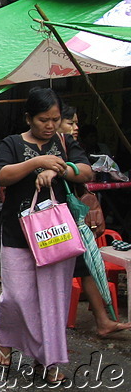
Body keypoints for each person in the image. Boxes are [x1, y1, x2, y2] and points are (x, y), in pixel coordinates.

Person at [0, 87, 93, 384]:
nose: (49, 125)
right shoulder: (11, 143)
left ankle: (48, 360)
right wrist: (37, 163)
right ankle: (8, 337)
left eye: (54, 119)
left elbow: (86, 172)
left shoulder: (65, 142)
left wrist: (60, 169)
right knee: (16, 297)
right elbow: (0, 176)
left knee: (53, 301)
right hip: (17, 232)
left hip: (56, 234)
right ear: (28, 118)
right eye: (42, 119)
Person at [58, 105, 131, 337]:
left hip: (72, 219)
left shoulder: (72, 148)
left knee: (87, 266)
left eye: (76, 123)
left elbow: (85, 173)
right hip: (55, 221)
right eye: (71, 123)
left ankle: (102, 320)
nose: (76, 128)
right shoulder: (47, 147)